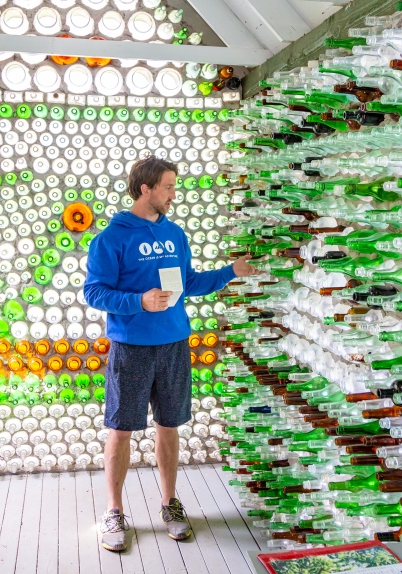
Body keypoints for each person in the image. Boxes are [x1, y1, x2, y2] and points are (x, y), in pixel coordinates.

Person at [84, 157, 257, 551]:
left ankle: (170, 503)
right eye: (168, 187)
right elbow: (94, 291)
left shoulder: (175, 234)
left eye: (174, 186)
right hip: (131, 348)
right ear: (145, 189)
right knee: (120, 429)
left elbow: (190, 283)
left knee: (169, 425)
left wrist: (232, 270)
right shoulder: (111, 238)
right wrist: (138, 301)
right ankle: (114, 511)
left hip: (174, 343)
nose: (173, 193)